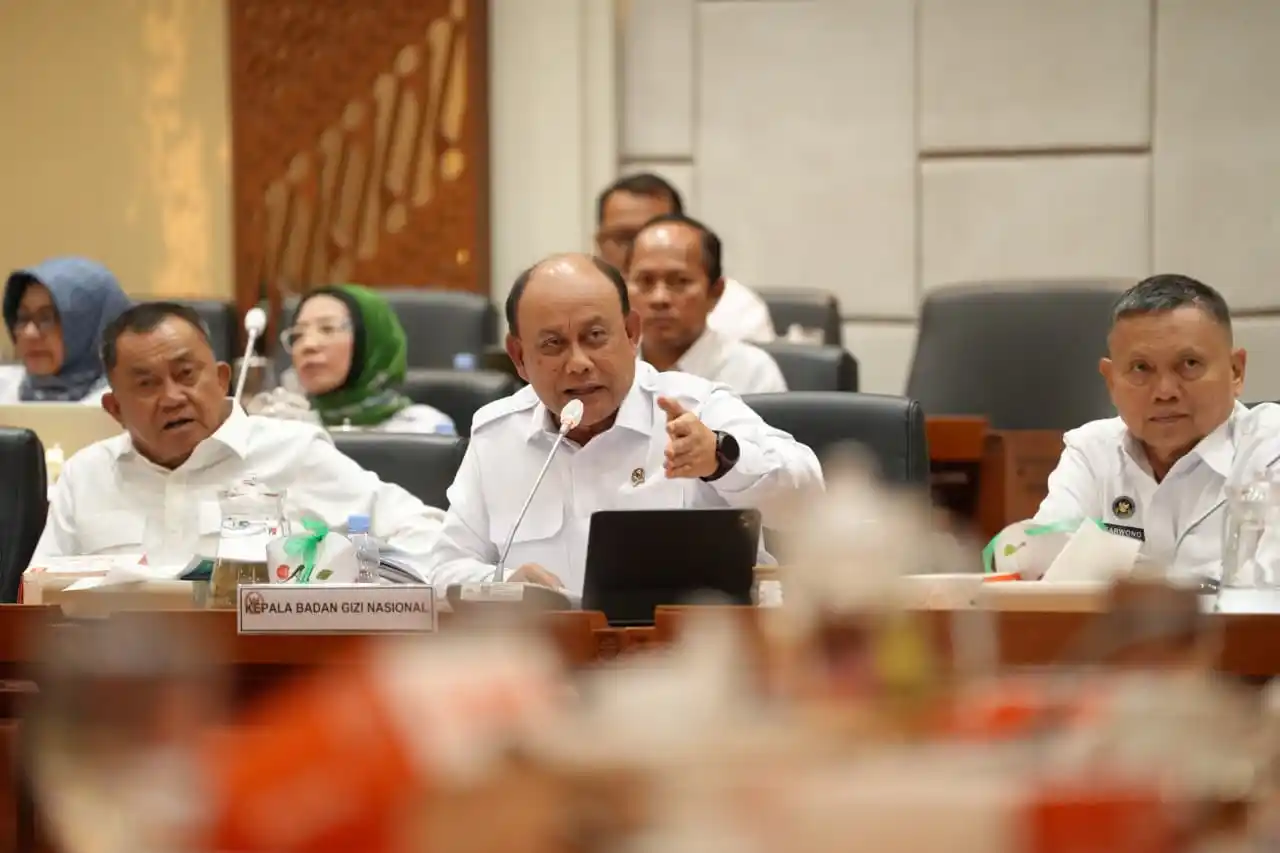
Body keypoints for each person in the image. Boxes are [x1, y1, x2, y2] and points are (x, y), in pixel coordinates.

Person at [425, 253, 823, 594]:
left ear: (632, 334)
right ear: (518, 357)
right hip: (550, 652)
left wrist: (720, 458)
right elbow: (444, 570)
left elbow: (807, 498)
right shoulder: (497, 435)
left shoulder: (695, 407)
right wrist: (503, 583)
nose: (578, 362)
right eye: (552, 344)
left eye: (595, 336)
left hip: (691, 650)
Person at [33, 302, 445, 571]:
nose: (172, 397)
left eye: (186, 374)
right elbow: (37, 591)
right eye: (146, 384)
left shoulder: (293, 453)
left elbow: (426, 535)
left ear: (221, 379)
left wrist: (354, 588)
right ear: (115, 409)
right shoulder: (85, 476)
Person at [1034, 274, 1280, 580]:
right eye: (1141, 368)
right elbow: (1040, 568)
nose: (1165, 392)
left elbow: (1269, 589)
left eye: (1189, 364)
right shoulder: (1091, 452)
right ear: (1111, 381)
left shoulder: (1271, 451)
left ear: (1235, 372)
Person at [594, 173, 777, 344]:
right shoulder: (583, 306)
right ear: (599, 242)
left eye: (656, 233)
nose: (641, 247)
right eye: (623, 238)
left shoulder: (737, 310)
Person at [250, 284, 454, 434]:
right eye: (298, 334)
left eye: (327, 329)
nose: (308, 345)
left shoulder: (424, 430)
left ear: (372, 341)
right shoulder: (282, 426)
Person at [628, 214, 787, 395]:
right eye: (645, 281)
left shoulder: (753, 373)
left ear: (715, 292)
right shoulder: (609, 367)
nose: (659, 298)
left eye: (680, 281)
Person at [1, 256, 132, 404]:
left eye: (47, 318)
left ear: (91, 328)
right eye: (23, 318)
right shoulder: (5, 391)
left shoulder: (124, 407)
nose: (29, 333)